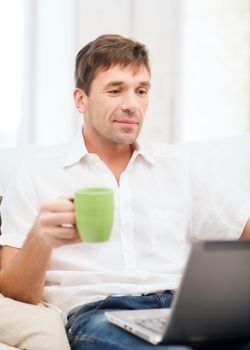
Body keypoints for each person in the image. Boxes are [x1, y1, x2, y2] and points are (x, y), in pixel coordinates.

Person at [0, 34, 250, 350]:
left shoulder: (179, 166)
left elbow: (242, 231)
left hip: (181, 309)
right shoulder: (37, 172)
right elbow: (14, 292)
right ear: (81, 100)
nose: (132, 104)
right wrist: (41, 238)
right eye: (116, 90)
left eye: (141, 91)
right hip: (99, 314)